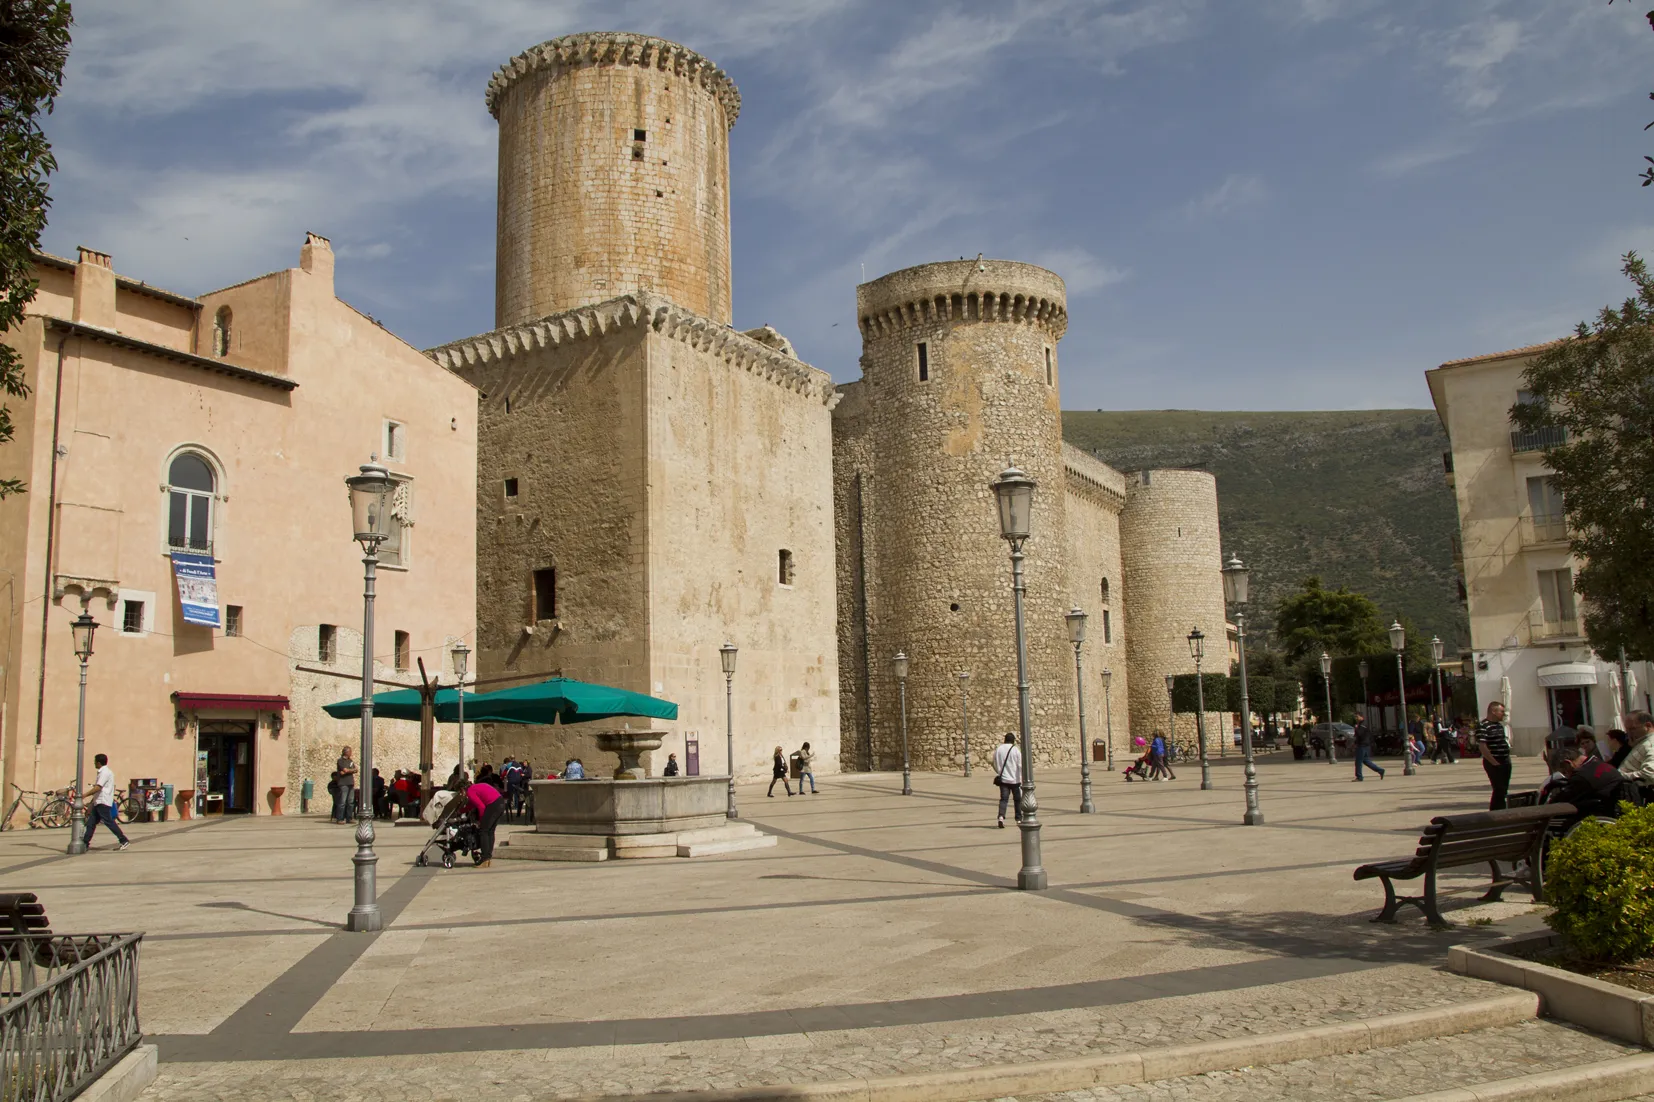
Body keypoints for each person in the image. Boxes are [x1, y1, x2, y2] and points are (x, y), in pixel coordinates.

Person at [1544, 738, 1625, 828]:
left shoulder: (1582, 776)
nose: (1566, 776)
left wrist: (1547, 806)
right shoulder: (1596, 762)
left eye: (1564, 772)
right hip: (1612, 807)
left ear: (1568, 763)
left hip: (1601, 814)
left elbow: (1563, 799)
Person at [80, 752, 129, 851]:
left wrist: (84, 795)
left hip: (103, 801)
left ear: (98, 763)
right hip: (99, 801)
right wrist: (91, 804)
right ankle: (85, 843)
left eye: (95, 762)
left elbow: (98, 787)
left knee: (109, 822)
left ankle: (123, 840)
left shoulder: (104, 772)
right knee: (91, 823)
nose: (94, 764)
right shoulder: (103, 772)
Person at [1474, 701, 1513, 810]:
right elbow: (1483, 747)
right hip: (1494, 762)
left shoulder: (1499, 726)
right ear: (1493, 711)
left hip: (1505, 760)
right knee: (1499, 788)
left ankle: (1501, 809)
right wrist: (1495, 763)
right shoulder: (1483, 726)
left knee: (1503, 789)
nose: (1503, 714)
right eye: (1501, 711)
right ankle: (1496, 811)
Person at [461, 778, 506, 868]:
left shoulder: (470, 791)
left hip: (493, 805)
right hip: (500, 802)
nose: (462, 795)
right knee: (490, 831)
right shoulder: (475, 788)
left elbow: (481, 807)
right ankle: (488, 857)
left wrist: (481, 821)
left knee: (483, 831)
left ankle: (485, 859)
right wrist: (461, 810)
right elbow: (472, 804)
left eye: (461, 793)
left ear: (462, 789)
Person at [1620, 711, 1654, 797]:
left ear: (1648, 726)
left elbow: (1649, 774)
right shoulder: (1643, 742)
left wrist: (1619, 776)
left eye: (1632, 729)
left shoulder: (1651, 743)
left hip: (1643, 795)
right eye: (1627, 729)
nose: (1628, 733)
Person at [993, 733, 1022, 827]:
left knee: (1004, 799)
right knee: (1017, 800)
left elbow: (995, 762)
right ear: (1013, 740)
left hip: (1003, 779)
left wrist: (999, 772)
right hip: (1015, 779)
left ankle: (1001, 817)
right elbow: (1020, 765)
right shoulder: (1015, 750)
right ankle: (1018, 819)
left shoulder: (999, 749)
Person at [1352, 714, 1384, 781]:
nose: (1356, 718)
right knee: (1366, 761)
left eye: (1357, 716)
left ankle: (1359, 777)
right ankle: (1380, 770)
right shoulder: (1362, 724)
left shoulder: (1362, 725)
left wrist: (1356, 728)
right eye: (1355, 717)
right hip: (1366, 745)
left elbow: (1360, 734)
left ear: (1361, 717)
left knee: (1358, 761)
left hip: (1362, 745)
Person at [334, 746, 358, 822]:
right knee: (342, 802)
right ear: (346, 752)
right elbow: (345, 770)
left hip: (350, 783)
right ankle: (340, 818)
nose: (351, 753)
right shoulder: (340, 761)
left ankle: (349, 818)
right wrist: (348, 771)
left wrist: (348, 771)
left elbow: (355, 770)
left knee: (350, 802)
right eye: (350, 752)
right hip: (343, 783)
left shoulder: (350, 761)